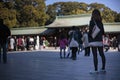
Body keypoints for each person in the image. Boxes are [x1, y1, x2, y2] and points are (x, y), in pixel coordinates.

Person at [88, 9, 106, 74]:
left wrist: (89, 35)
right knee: (102, 54)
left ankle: (96, 70)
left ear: (93, 14)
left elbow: (90, 32)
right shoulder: (101, 22)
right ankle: (103, 68)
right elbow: (103, 32)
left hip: (93, 41)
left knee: (95, 55)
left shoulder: (91, 22)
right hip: (99, 41)